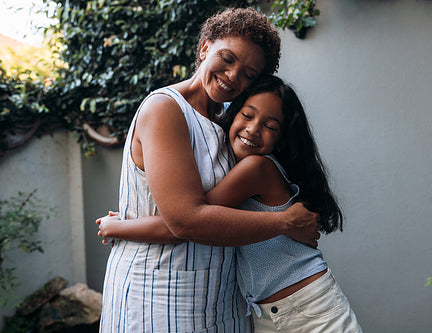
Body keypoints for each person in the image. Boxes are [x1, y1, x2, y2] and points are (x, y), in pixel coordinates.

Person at [98, 7, 320, 333]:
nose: (233, 76)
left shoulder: (232, 123)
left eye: (248, 74)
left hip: (222, 300)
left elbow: (221, 203)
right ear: (204, 48)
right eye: (227, 59)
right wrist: (284, 222)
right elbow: (186, 219)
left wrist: (125, 224)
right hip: (158, 297)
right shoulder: (166, 109)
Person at [98, 76, 363, 332]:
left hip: (310, 309)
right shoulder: (236, 168)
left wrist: (117, 227)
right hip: (270, 313)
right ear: (233, 114)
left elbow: (186, 223)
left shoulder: (255, 168)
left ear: (281, 138)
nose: (253, 129)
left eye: (270, 127)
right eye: (248, 115)